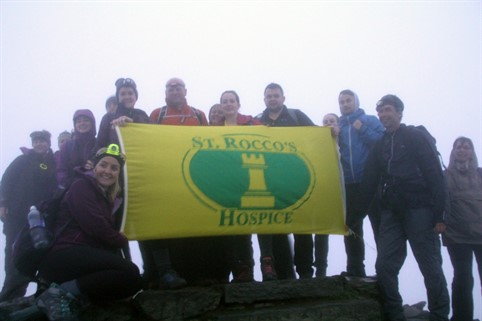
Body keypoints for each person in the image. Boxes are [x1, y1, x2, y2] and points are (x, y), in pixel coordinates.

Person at [358, 94, 450, 321]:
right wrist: (352, 216)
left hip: (421, 209)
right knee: (385, 264)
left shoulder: (414, 137)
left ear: (399, 112)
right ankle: (394, 313)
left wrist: (440, 215)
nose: (383, 115)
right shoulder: (380, 145)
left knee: (429, 265)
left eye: (388, 110)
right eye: (380, 112)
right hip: (392, 212)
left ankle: (439, 315)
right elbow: (368, 183)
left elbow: (435, 176)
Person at [35, 144, 143, 321]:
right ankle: (59, 293)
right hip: (64, 253)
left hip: (82, 257)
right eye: (103, 165)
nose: (108, 171)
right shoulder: (81, 186)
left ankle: (71, 297)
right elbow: (96, 227)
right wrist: (121, 239)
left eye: (114, 168)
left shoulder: (107, 198)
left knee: (133, 281)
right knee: (130, 273)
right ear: (94, 167)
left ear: (118, 174)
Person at [144, 77, 208, 287]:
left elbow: (208, 144)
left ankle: (194, 272)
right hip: (165, 179)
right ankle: (164, 273)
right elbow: (146, 141)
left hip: (193, 179)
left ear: (185, 90)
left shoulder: (198, 115)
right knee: (166, 226)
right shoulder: (157, 114)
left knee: (192, 227)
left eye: (178, 86)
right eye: (169, 87)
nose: (174, 89)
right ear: (165, 92)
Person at [255, 82, 315, 281]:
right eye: (269, 96)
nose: (272, 99)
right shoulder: (257, 121)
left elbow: (317, 136)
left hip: (296, 181)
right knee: (272, 227)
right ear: (264, 100)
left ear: (283, 98)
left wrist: (332, 132)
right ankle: (277, 271)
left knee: (302, 227)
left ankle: (305, 270)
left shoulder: (297, 116)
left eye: (276, 95)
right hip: (268, 182)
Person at [0, 130, 57, 302]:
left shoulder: (52, 163)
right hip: (17, 215)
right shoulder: (22, 160)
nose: (40, 144)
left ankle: (41, 293)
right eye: (37, 141)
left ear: (48, 144)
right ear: (33, 144)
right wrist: (2, 203)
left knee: (40, 251)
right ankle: (9, 296)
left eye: (43, 141)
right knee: (14, 252)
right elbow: (6, 181)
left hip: (42, 218)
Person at [337, 89, 384, 278]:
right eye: (342, 102)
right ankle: (355, 269)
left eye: (348, 100)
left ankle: (384, 269)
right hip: (348, 183)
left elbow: (382, 142)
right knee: (351, 227)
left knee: (378, 225)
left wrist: (362, 129)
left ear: (356, 102)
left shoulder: (369, 120)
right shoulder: (338, 125)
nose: (345, 104)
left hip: (370, 181)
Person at [220, 90, 262, 282]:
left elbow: (269, 135)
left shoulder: (251, 122)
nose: (228, 104)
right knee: (228, 230)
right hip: (226, 183)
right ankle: (234, 270)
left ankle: (248, 271)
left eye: (231, 101)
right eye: (225, 101)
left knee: (244, 227)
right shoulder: (214, 127)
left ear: (238, 104)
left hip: (248, 180)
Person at [442, 136, 482, 321]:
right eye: (458, 147)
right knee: (463, 279)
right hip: (457, 236)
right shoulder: (445, 176)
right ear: (453, 151)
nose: (462, 150)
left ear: (472, 152)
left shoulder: (481, 174)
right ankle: (461, 317)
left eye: (466, 147)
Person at [314, 113, 340, 277]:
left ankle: (356, 268)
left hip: (341, 191)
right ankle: (320, 269)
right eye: (325, 122)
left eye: (332, 121)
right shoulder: (317, 145)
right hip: (322, 191)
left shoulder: (345, 144)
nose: (328, 124)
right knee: (320, 231)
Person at [96, 77, 150, 150]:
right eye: (123, 94)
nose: (127, 97)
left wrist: (132, 122)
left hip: (140, 158)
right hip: (115, 159)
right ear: (118, 98)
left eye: (130, 93)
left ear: (135, 97)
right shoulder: (108, 117)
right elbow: (100, 145)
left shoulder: (142, 114)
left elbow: (151, 133)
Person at [56, 109, 96, 189]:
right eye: (78, 121)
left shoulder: (99, 143)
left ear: (92, 123)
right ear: (75, 124)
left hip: (96, 188)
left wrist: (95, 167)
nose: (82, 123)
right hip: (72, 190)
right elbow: (61, 169)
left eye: (86, 120)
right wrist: (69, 184)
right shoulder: (67, 146)